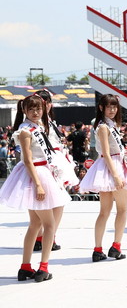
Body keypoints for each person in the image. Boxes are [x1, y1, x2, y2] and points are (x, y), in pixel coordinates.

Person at [0, 94, 71, 282]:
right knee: (49, 224)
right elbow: (27, 160)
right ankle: (43, 267)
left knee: (35, 224)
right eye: (31, 109)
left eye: (38, 108)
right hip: (37, 176)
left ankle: (25, 267)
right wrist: (39, 185)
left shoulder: (38, 126)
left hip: (42, 173)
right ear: (24, 110)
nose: (35, 112)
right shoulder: (25, 130)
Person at [79, 94, 127, 262]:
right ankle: (116, 246)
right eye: (109, 107)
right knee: (121, 210)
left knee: (105, 212)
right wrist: (116, 175)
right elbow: (106, 153)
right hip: (113, 167)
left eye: (114, 107)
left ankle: (98, 249)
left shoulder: (108, 125)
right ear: (101, 108)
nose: (112, 110)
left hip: (107, 166)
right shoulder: (104, 127)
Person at [31, 89, 79, 252]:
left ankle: (44, 237)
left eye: (47, 103)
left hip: (56, 160)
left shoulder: (48, 121)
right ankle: (47, 237)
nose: (46, 106)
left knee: (53, 201)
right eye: (42, 103)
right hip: (48, 162)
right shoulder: (37, 123)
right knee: (54, 201)